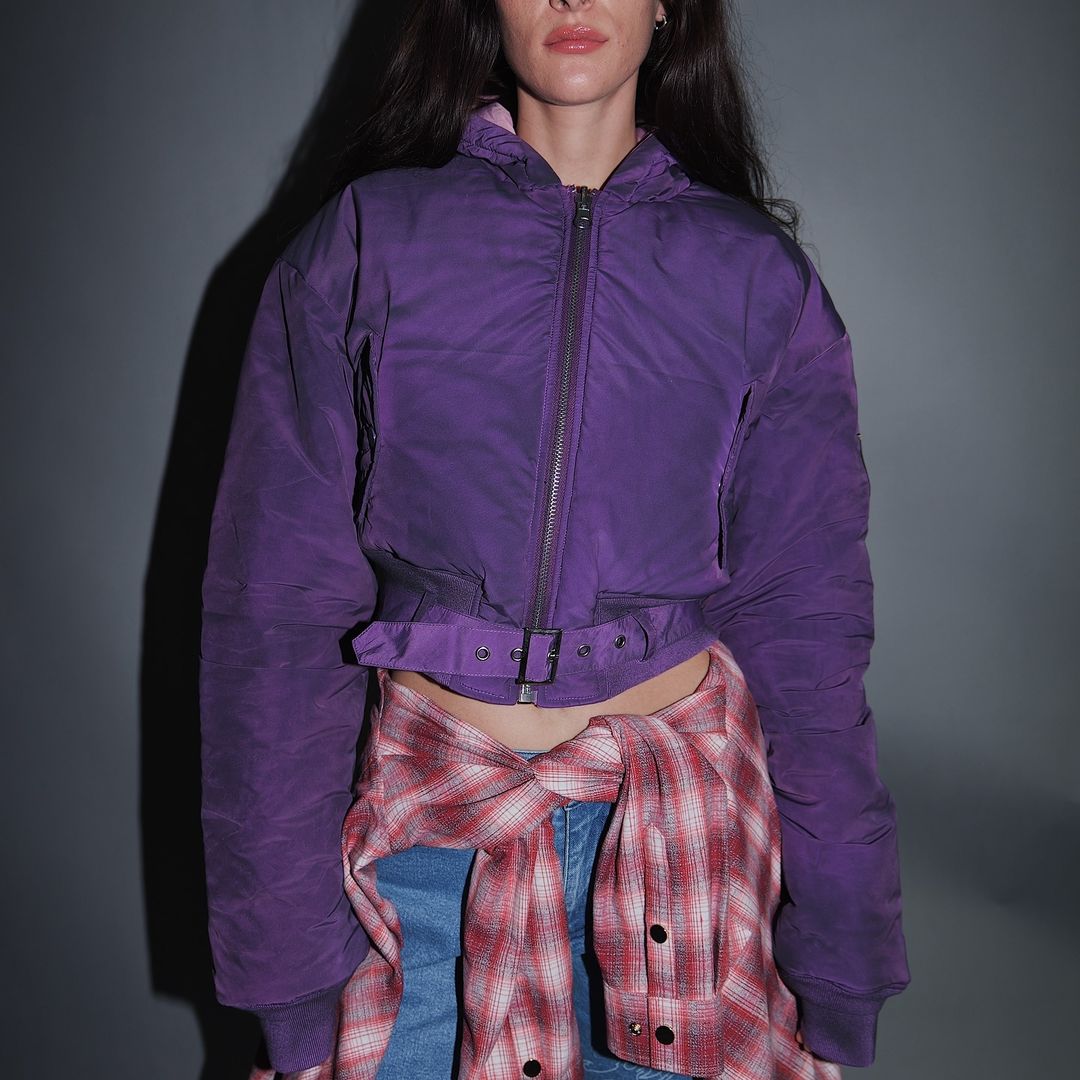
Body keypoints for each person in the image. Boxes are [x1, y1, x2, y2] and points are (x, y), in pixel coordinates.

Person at [198, 1, 912, 1078]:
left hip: (691, 874)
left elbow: (809, 632)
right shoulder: (365, 242)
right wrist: (287, 974)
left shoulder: (757, 278)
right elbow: (275, 613)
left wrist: (845, 955)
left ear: (668, 6)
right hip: (423, 873)